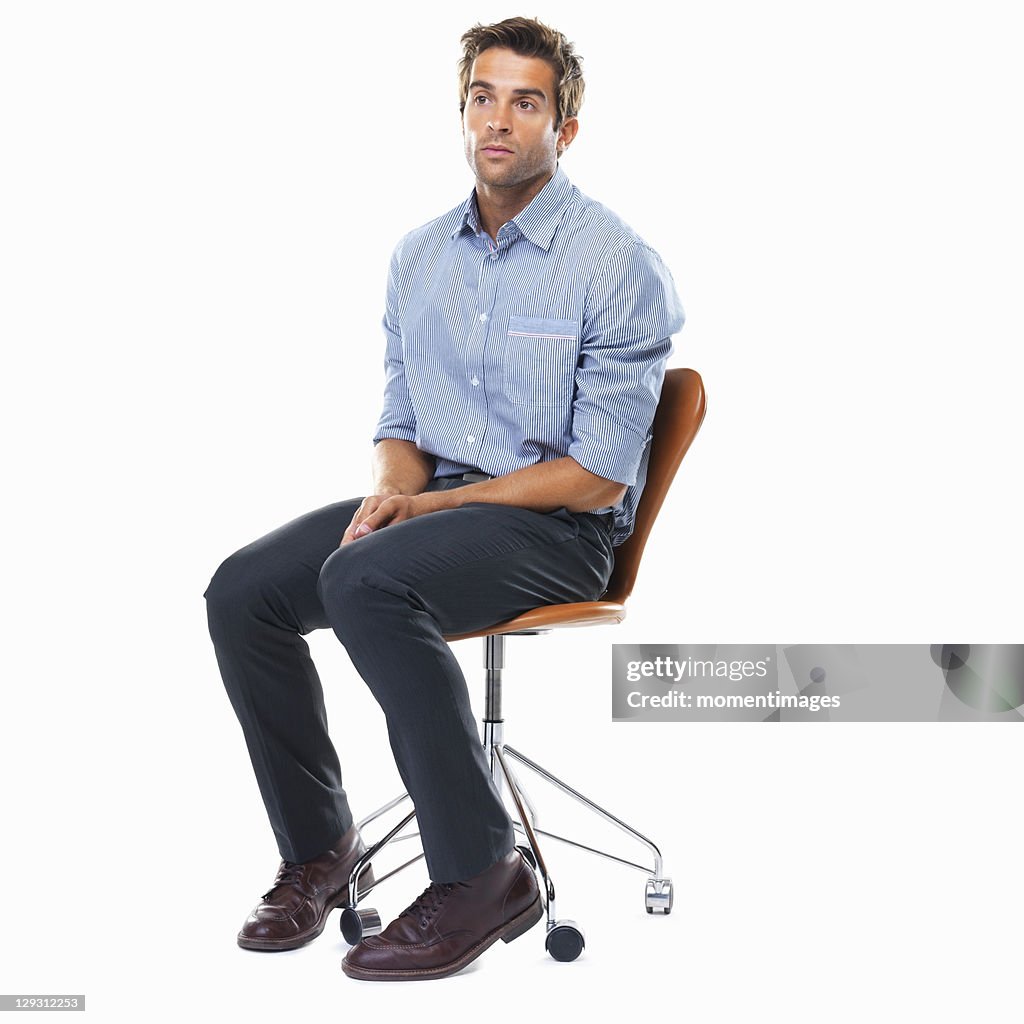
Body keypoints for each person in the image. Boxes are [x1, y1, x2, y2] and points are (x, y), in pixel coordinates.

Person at [203, 15, 684, 982]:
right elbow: (403, 421)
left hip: (560, 529)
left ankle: (480, 870)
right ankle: (319, 849)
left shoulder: (615, 263)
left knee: (366, 584)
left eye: (527, 101)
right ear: (460, 109)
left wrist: (421, 519)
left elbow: (597, 473)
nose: (498, 120)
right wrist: (393, 495)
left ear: (568, 125)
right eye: (482, 96)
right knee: (242, 591)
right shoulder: (421, 255)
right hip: (441, 512)